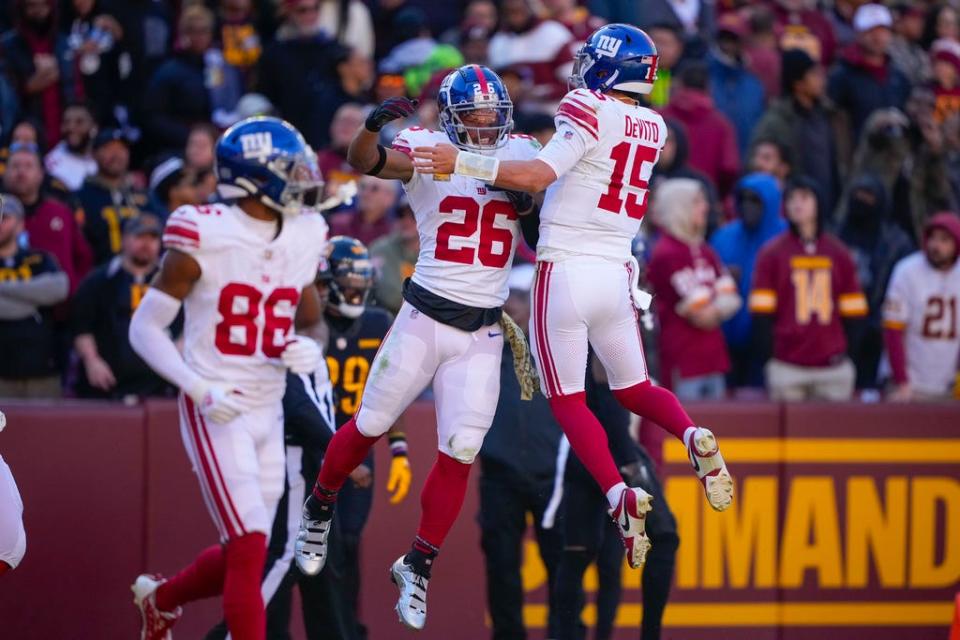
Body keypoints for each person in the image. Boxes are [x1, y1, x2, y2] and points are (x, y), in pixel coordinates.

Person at [413, 25, 734, 572]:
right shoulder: (654, 125)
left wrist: (462, 161)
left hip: (564, 269)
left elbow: (538, 175)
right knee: (636, 389)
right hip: (615, 273)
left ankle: (616, 494)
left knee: (568, 400)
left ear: (609, 67)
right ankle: (692, 432)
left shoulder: (587, 106)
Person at [294, 64, 541, 631]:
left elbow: (537, 208)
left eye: (491, 116)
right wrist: (368, 130)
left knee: (461, 451)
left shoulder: (519, 150)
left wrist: (520, 194)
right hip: (425, 315)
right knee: (371, 423)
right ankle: (320, 506)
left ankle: (419, 564)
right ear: (451, 119)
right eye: (473, 118)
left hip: (482, 331)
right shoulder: (428, 148)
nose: (484, 126)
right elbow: (366, 162)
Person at [128, 116, 329, 640]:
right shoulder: (205, 232)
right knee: (247, 548)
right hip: (215, 402)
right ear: (254, 177)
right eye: (290, 167)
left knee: (250, 548)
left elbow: (311, 319)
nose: (304, 175)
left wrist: (310, 347)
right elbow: (144, 329)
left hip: (269, 405)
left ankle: (162, 600)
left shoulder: (307, 231)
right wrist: (198, 387)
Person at [295, 236, 412, 640]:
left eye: (360, 286)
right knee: (319, 551)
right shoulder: (311, 324)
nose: (354, 294)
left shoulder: (379, 324)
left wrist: (399, 450)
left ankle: (348, 628)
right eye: (348, 285)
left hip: (359, 449)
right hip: (312, 447)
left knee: (347, 541)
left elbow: (388, 393)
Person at [552, 356, 678, 640]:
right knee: (665, 537)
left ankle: (568, 634)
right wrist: (630, 460)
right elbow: (607, 390)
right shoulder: (610, 316)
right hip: (614, 451)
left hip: (583, 448)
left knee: (581, 555)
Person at [478, 263, 563, 640]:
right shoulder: (484, 346)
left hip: (554, 478)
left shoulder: (561, 345)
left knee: (564, 571)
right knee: (502, 571)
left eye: (520, 298)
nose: (511, 306)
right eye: (506, 298)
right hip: (500, 474)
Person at [749, 177, 868, 401]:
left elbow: (855, 316)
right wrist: (773, 359)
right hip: (787, 368)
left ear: (819, 203)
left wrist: (844, 357)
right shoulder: (771, 253)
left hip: (833, 369)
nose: (797, 204)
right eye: (791, 198)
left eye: (804, 197)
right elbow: (761, 318)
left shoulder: (839, 253)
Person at [647, 179, 741, 399]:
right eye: (697, 201)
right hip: (682, 362)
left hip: (714, 360)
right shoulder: (666, 253)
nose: (705, 207)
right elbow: (698, 313)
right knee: (689, 430)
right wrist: (718, 303)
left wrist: (716, 305)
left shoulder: (705, 250)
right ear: (679, 207)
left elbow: (732, 298)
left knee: (716, 430)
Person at [71, 214, 178, 400]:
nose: (146, 244)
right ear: (124, 240)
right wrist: (92, 361)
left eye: (152, 238)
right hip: (107, 386)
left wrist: (174, 364)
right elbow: (81, 328)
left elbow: (187, 328)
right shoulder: (99, 280)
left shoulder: (172, 281)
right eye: (139, 237)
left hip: (160, 387)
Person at [839, 173, 915, 389]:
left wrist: (875, 325)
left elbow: (899, 290)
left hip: (877, 334)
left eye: (868, 195)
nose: (861, 200)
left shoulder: (897, 242)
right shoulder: (835, 235)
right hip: (839, 331)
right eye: (857, 194)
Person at [710, 173, 785, 389]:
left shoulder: (784, 237)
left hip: (769, 341)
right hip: (726, 340)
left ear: (770, 203)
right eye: (742, 199)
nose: (747, 206)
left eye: (755, 200)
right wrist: (723, 279)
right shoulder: (723, 237)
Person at [750, 48, 840, 211]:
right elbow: (757, 165)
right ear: (798, 83)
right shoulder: (776, 122)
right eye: (814, 75)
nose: (822, 80)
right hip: (795, 207)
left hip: (828, 207)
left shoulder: (827, 115)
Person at [883, 212, 960, 401]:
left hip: (947, 382)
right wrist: (901, 381)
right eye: (932, 238)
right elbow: (893, 330)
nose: (936, 246)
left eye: (944, 240)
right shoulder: (907, 271)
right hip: (909, 383)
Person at [0, 193, 69, 398]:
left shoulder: (40, 259)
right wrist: (31, 301)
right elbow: (43, 294)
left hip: (41, 372)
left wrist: (3, 288)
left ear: (20, 225)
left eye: (4, 217)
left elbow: (59, 289)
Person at [2, 143, 91, 293]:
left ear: (41, 174)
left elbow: (83, 258)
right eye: (15, 166)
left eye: (28, 166)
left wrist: (75, 293)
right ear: (5, 174)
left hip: (59, 308)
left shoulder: (60, 212)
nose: (21, 172)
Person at [828, 3, 911, 145]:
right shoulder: (842, 75)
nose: (877, 37)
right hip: (859, 158)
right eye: (870, 31)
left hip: (894, 157)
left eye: (882, 30)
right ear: (858, 34)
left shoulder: (899, 76)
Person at [0, 0, 77, 146]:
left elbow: (75, 88)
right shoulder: (7, 47)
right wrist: (28, 87)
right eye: (32, 6)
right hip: (24, 132)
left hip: (65, 132)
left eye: (43, 5)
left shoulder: (64, 43)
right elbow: (5, 96)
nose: (38, 11)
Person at [661, 61, 741, 198]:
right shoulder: (721, 125)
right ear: (709, 88)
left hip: (660, 196)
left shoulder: (659, 117)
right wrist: (714, 196)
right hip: (702, 201)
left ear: (678, 84)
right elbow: (729, 168)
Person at [76, 128, 148, 265]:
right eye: (108, 148)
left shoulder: (143, 196)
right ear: (94, 154)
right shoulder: (80, 198)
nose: (116, 154)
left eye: (121, 148)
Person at [487, 0, 574, 113]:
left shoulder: (554, 33)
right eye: (510, 12)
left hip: (554, 112)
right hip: (515, 117)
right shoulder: (498, 42)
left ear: (530, 8)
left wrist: (539, 93)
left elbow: (574, 83)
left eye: (519, 11)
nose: (515, 17)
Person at [369, 199, 419, 314]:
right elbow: (390, 296)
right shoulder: (381, 249)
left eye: (413, 215)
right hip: (388, 319)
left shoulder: (436, 252)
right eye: (401, 215)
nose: (406, 221)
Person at [329, 175, 397, 246]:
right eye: (363, 187)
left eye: (374, 189)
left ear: (390, 197)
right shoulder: (337, 223)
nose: (365, 194)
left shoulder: (393, 234)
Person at [43, 101, 97, 191]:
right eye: (66, 122)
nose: (71, 127)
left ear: (94, 127)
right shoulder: (52, 163)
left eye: (79, 122)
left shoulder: (104, 158)